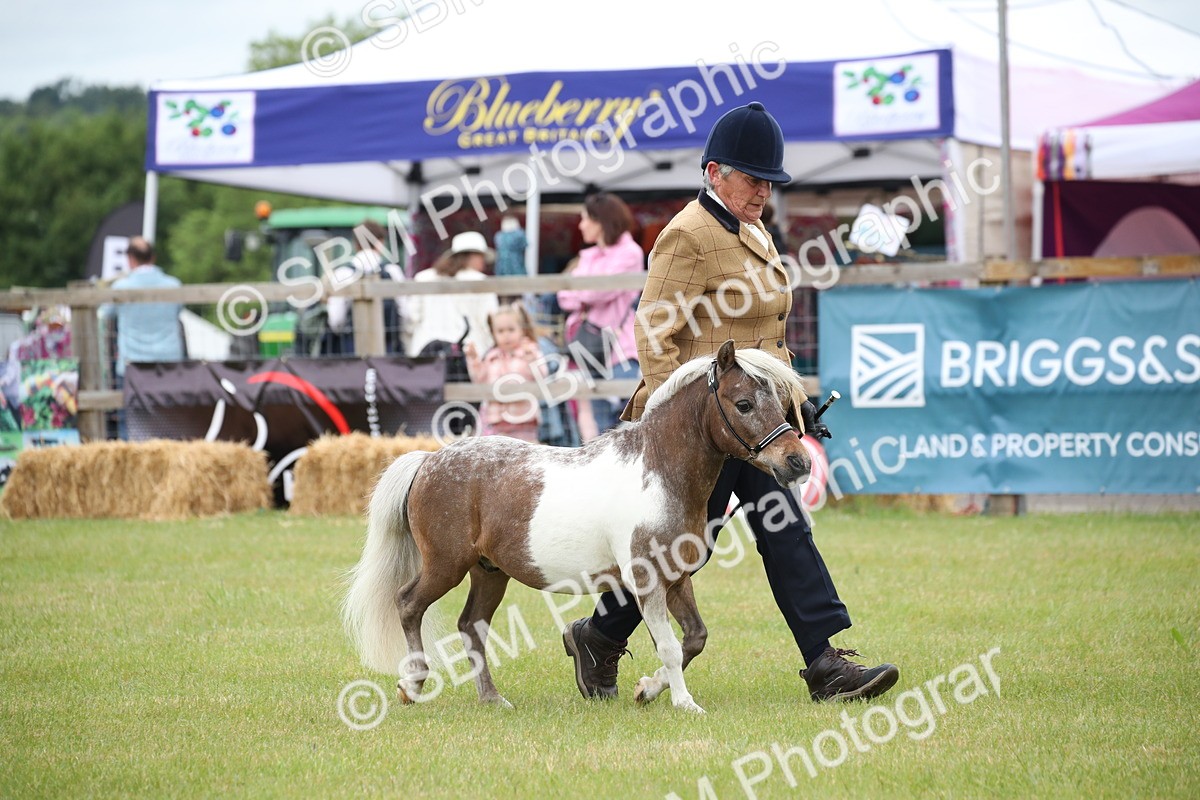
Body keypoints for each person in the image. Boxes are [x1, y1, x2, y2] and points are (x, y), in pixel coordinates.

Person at [561, 102, 900, 704]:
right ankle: (600, 634)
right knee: (684, 547)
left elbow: (761, 335)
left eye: (769, 180)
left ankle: (824, 664)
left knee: (783, 527)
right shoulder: (687, 234)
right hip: (699, 426)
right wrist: (680, 420)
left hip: (752, 421)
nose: (763, 190)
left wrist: (788, 402)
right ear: (715, 172)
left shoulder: (750, 227)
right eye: (752, 178)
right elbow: (654, 330)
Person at [556, 192, 644, 438]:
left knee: (627, 426)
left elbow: (598, 291)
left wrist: (581, 290)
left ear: (600, 220)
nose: (581, 225)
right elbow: (564, 296)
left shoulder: (630, 252)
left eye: (585, 219)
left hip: (619, 350)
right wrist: (585, 291)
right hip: (590, 348)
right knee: (600, 425)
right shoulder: (590, 254)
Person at [99, 237, 185, 439]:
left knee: (130, 421)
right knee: (168, 418)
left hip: (132, 365)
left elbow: (104, 313)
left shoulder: (121, 287)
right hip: (168, 362)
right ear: (153, 257)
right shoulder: (174, 285)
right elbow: (179, 309)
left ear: (130, 259)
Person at [405, 231, 500, 363]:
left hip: (426, 351)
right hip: (468, 353)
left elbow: (412, 317)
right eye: (481, 257)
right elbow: (489, 320)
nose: (483, 263)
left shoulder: (423, 278)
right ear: (473, 256)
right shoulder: (481, 282)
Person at [464, 302, 544, 443]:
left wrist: (532, 360)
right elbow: (480, 380)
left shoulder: (529, 351)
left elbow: (542, 376)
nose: (506, 335)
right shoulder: (491, 357)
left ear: (522, 330)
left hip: (523, 418)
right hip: (497, 420)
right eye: (500, 331)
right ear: (493, 334)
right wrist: (473, 359)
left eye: (511, 330)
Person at [325, 219, 406, 355]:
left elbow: (336, 320)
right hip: (389, 347)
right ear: (380, 242)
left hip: (351, 347)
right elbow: (405, 312)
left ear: (356, 244)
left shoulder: (343, 273)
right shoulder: (393, 271)